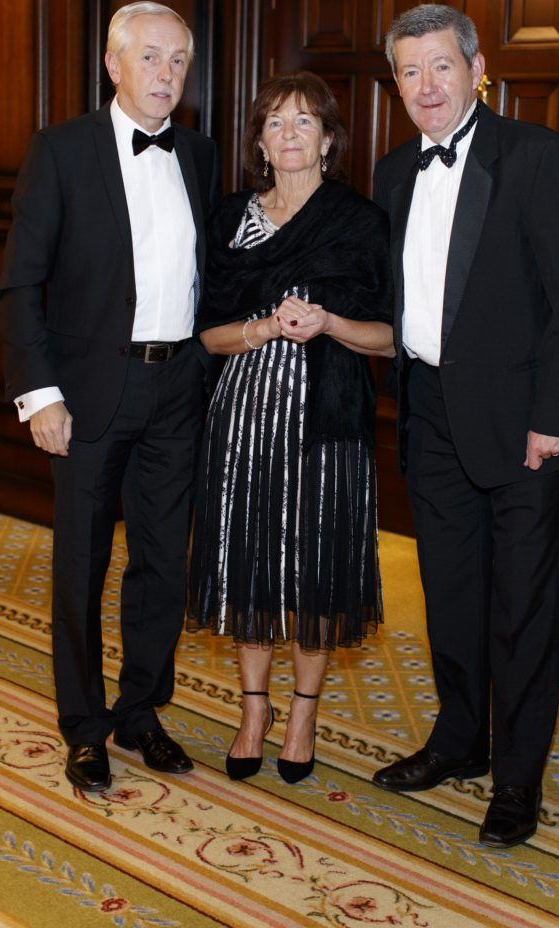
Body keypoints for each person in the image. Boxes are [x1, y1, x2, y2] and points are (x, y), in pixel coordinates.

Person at [371, 4, 559, 847]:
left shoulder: (536, 158)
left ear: (476, 70)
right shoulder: (393, 170)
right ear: (395, 83)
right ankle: (457, 741)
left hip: (520, 429)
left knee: (521, 609)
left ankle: (517, 779)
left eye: (441, 66)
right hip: (430, 415)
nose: (426, 86)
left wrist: (555, 422)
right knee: (451, 595)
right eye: (409, 70)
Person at [0, 1, 220, 791]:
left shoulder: (198, 153)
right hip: (88, 391)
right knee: (81, 565)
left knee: (163, 562)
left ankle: (141, 713)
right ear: (113, 64)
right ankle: (84, 727)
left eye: (178, 62)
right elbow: (21, 285)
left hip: (178, 388)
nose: (165, 75)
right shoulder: (60, 151)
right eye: (150, 58)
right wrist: (40, 394)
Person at [186, 71, 393, 784]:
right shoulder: (225, 220)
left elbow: (390, 339)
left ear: (329, 140)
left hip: (326, 427)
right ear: (260, 144)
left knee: (313, 573)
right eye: (275, 123)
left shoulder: (359, 221)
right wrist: (263, 326)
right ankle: (253, 710)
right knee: (248, 563)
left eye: (305, 122)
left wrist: (328, 322)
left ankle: (301, 712)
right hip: (240, 420)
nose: (290, 134)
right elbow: (205, 335)